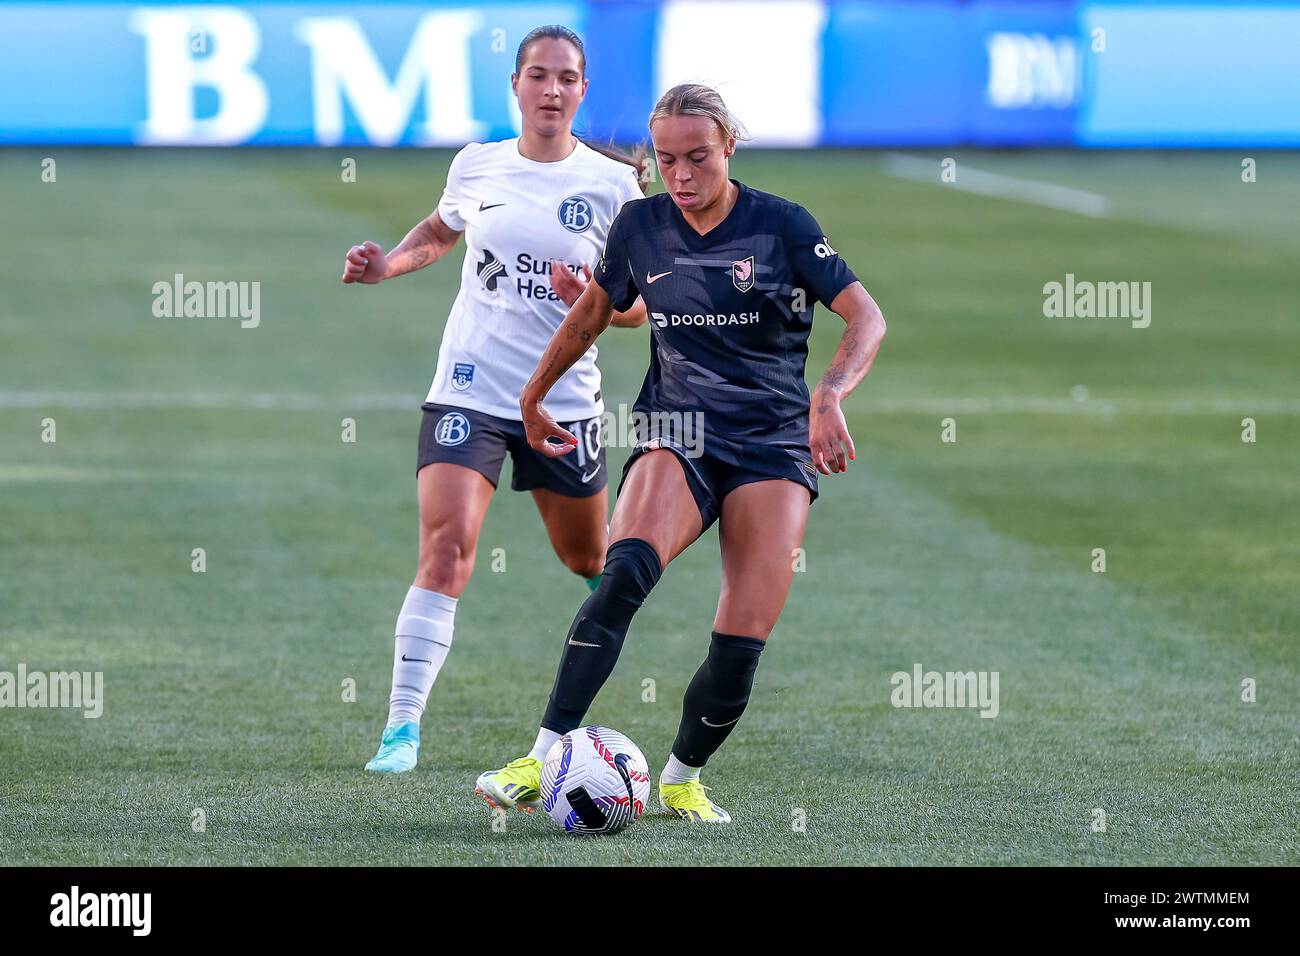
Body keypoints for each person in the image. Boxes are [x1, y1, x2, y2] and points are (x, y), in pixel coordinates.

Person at [475, 83, 887, 821]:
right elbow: (600, 309)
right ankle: (540, 761)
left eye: (699, 157)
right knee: (622, 572)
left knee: (739, 642)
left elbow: (866, 317)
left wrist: (829, 397)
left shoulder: (783, 226)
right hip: (679, 431)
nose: (682, 175)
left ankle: (680, 776)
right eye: (667, 160)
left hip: (771, 443)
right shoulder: (640, 226)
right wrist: (533, 396)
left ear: (729, 146)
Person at [341, 25, 647, 774]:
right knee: (446, 551)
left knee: (589, 557)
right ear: (516, 85)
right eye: (537, 75)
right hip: (469, 388)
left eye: (566, 78)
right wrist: (389, 265)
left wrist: (599, 303)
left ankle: (596, 668)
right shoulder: (477, 164)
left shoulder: (615, 189)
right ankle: (401, 731)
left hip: (564, 401)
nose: (551, 90)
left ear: (582, 90)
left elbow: (640, 308)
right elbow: (441, 232)